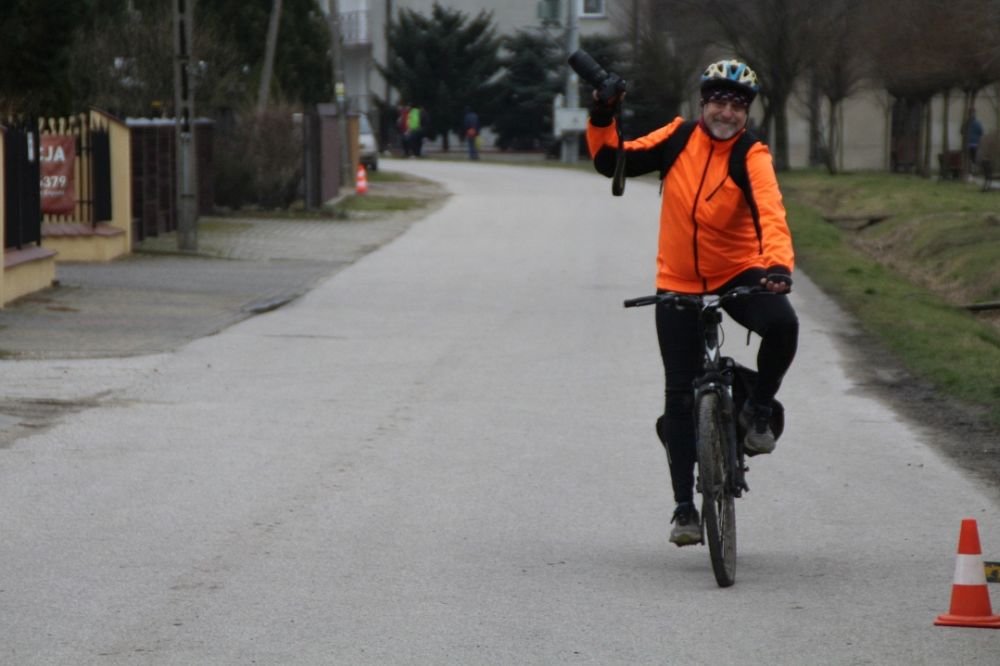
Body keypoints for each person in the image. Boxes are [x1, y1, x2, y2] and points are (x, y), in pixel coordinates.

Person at [586, 59, 799, 546]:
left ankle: (758, 410)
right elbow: (611, 160)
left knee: (783, 325)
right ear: (703, 104)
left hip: (738, 270)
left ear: (746, 112)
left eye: (737, 105)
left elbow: (771, 213)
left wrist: (777, 267)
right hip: (677, 279)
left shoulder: (751, 155)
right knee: (679, 395)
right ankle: (684, 507)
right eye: (718, 102)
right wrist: (602, 114)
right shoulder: (679, 137)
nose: (726, 112)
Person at [965, 107, 984, 172]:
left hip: (968, 143)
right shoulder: (977, 123)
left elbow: (962, 131)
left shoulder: (967, 123)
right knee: (974, 157)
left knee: (969, 157)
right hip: (975, 143)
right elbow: (981, 132)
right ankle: (973, 169)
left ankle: (970, 170)